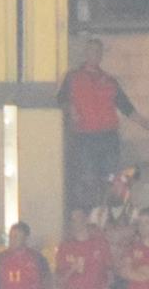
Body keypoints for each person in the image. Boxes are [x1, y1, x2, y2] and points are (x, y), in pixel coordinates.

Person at [57, 40, 137, 215]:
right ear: (86, 53)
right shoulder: (73, 77)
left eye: (98, 52)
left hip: (108, 137)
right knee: (88, 178)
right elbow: (61, 100)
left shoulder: (109, 80)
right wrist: (71, 109)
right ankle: (91, 214)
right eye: (92, 51)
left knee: (111, 177)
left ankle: (109, 213)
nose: (95, 55)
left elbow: (127, 108)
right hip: (85, 136)